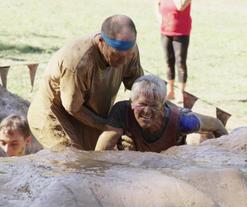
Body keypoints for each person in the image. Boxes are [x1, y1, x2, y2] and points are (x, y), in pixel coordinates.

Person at [27, 15, 144, 150]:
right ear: (101, 42)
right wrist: (107, 125)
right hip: (55, 113)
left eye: (128, 55)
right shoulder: (77, 61)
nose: (124, 61)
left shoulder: (128, 50)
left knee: (98, 160)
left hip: (92, 113)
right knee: (70, 160)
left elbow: (138, 87)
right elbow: (73, 108)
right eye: (117, 54)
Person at [95, 75, 228, 152]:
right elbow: (100, 153)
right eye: (142, 105)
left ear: (163, 106)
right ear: (132, 103)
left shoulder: (183, 121)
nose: (147, 111)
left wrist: (225, 156)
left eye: (154, 106)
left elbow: (217, 125)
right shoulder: (122, 113)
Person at [155, 0, 192, 102]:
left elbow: (180, 6)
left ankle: (181, 93)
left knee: (180, 62)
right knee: (168, 61)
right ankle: (170, 91)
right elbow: (157, 5)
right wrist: (160, 19)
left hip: (181, 32)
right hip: (165, 31)